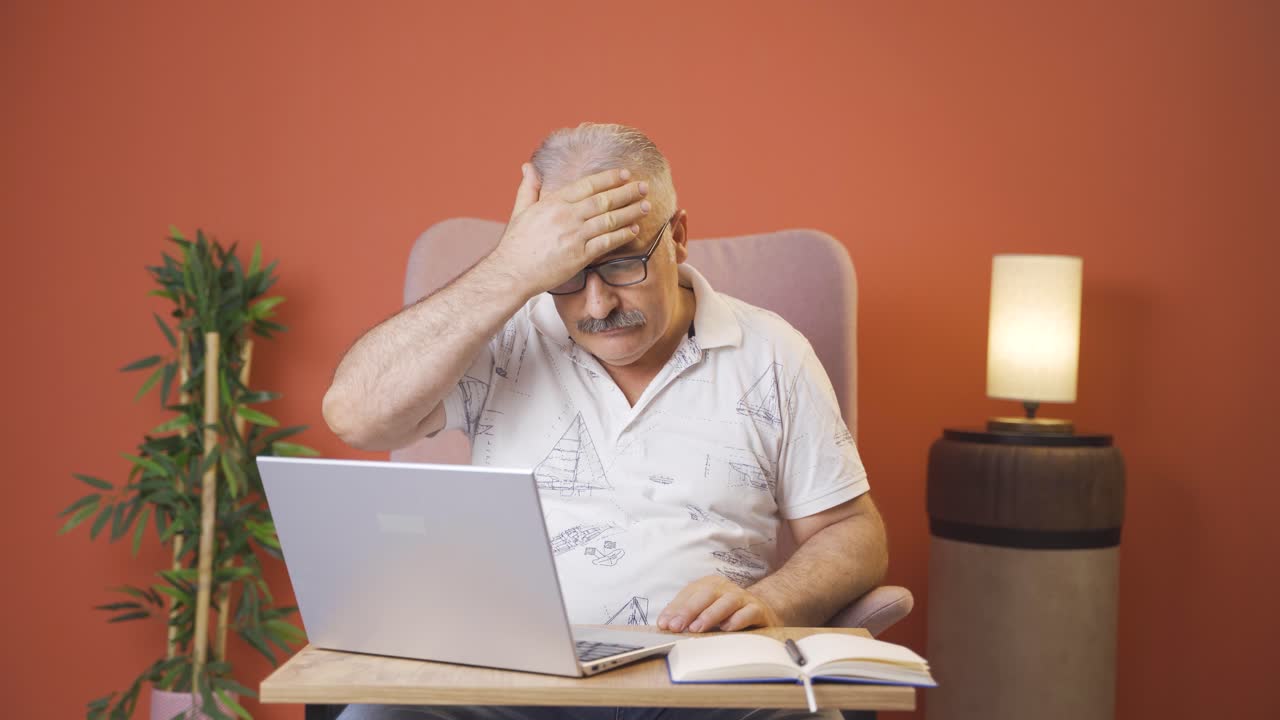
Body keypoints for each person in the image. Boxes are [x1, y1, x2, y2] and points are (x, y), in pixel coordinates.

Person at [322, 123, 888, 720]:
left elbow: (854, 532)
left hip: (701, 678)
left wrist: (772, 600)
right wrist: (512, 269)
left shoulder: (772, 352)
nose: (597, 307)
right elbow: (354, 416)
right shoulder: (501, 333)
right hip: (512, 677)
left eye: (623, 265)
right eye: (568, 275)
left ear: (680, 237)